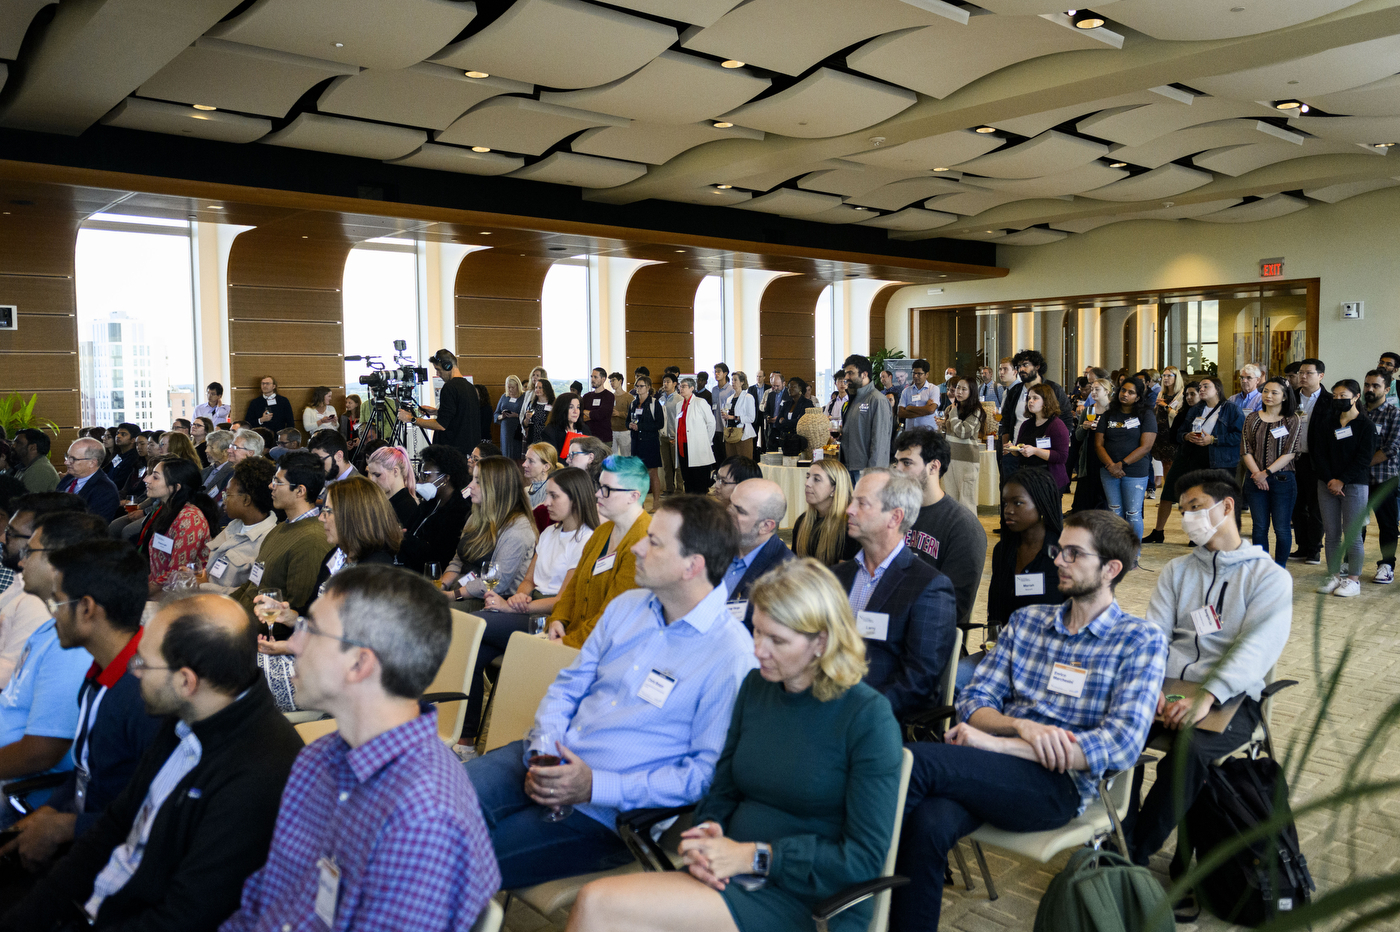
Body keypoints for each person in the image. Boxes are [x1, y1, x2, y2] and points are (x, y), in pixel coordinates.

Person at [568, 558, 902, 932]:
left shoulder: (867, 718)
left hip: (808, 900)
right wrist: (709, 829)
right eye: (757, 632)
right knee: (603, 910)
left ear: (821, 642)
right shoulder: (757, 688)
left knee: (599, 905)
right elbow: (723, 787)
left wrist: (756, 857)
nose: (758, 649)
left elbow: (863, 859)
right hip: (730, 873)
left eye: (777, 640)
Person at [892, 511, 1168, 931]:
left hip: (1057, 785)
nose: (1058, 560)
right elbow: (974, 701)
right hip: (992, 768)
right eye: (1061, 550)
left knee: (912, 763)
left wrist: (997, 743)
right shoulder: (1028, 622)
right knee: (928, 823)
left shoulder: (1139, 639)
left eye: (1074, 554)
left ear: (1111, 569)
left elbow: (1122, 744)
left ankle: (851, 884)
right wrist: (1019, 727)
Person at [465, 495, 757, 889]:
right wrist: (545, 749)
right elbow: (568, 686)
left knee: (458, 858)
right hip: (544, 758)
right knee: (429, 808)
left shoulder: (730, 654)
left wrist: (595, 786)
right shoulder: (628, 607)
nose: (635, 546)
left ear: (693, 565)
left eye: (654, 542)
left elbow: (702, 777)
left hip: (606, 815)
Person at [0, 595, 303, 932]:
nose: (134, 673)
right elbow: (112, 828)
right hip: (94, 902)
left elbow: (184, 917)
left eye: (143, 663)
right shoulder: (187, 715)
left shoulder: (259, 774)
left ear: (186, 681)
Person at [224, 566, 500, 932]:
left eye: (311, 630)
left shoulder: (420, 820)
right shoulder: (318, 757)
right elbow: (267, 899)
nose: (294, 644)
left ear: (359, 663)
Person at [1122, 469, 1290, 867]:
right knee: (1117, 730)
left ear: (1226, 506)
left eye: (1195, 507)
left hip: (1231, 698)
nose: (1187, 518)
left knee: (1189, 753)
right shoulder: (1177, 572)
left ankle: (1134, 854)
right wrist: (1152, 687)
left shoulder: (1269, 577)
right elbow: (1154, 636)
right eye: (1182, 511)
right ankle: (1123, 838)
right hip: (1167, 688)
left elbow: (1255, 649)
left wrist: (1207, 698)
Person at [0, 541, 163, 873]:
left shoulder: (145, 695)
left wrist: (67, 826)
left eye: (57, 602)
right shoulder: (100, 674)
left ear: (87, 608)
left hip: (105, 862)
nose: (52, 613)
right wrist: (53, 812)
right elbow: (86, 772)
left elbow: (155, 815)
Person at [469, 467, 599, 742]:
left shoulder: (588, 539)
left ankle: (493, 737)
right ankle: (465, 739)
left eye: (554, 496)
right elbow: (529, 580)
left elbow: (563, 600)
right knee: (474, 651)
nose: (546, 503)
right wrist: (520, 596)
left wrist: (515, 606)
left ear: (575, 498)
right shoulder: (551, 533)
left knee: (476, 623)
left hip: (549, 618)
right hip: (527, 608)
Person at [253, 476, 403, 711]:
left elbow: (355, 644)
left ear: (352, 517)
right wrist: (289, 616)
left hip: (341, 681)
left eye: (328, 511)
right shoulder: (337, 555)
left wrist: (293, 647)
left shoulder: (375, 571)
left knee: (237, 677)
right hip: (314, 661)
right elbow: (317, 620)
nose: (321, 517)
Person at [833, 469, 957, 719]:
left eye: (862, 503)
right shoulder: (837, 576)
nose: (849, 509)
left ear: (894, 517)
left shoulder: (928, 587)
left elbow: (919, 680)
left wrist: (859, 713)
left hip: (877, 719)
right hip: (823, 703)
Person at [546, 456, 652, 648]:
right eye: (599, 486)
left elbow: (614, 617)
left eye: (607, 489)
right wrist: (558, 619)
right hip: (575, 640)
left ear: (633, 496)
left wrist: (565, 643)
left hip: (607, 649)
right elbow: (574, 586)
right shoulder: (602, 532)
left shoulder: (643, 542)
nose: (597, 494)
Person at [892, 428, 987, 628]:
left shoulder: (963, 527)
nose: (898, 470)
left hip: (929, 633)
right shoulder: (891, 515)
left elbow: (954, 606)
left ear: (934, 466)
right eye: (897, 462)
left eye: (907, 463)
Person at [230, 451, 332, 618]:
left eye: (278, 482)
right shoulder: (280, 528)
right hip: (242, 620)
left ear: (300, 491)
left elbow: (296, 612)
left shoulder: (312, 541)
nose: (271, 486)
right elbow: (251, 586)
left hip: (263, 632)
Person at [441, 457, 535, 610]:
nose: (470, 486)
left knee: (435, 616)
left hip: (493, 601)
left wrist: (452, 595)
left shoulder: (518, 529)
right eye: (473, 479)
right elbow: (459, 560)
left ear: (497, 487)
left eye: (478, 481)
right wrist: (442, 586)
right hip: (463, 590)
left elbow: (495, 583)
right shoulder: (477, 516)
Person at [1314, 379, 1376, 598]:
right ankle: (1333, 576)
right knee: (1331, 534)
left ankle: (1353, 580)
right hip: (1327, 484)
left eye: (1344, 395)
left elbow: (1364, 458)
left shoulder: (1365, 425)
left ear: (1356, 397)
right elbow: (1318, 453)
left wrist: (1342, 480)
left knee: (1352, 535)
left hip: (1354, 485)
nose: (1338, 399)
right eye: (1336, 395)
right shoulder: (1327, 423)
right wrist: (1330, 479)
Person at [987, 468, 1065, 641]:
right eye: (1005, 503)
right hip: (1008, 649)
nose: (1008, 510)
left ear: (1041, 504)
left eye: (1018, 503)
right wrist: (992, 642)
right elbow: (995, 610)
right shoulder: (1003, 550)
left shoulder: (1065, 553)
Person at [1240, 377, 1301, 567]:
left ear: (1284, 396)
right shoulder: (1252, 418)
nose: (1268, 395)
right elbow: (1245, 448)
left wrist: (1265, 473)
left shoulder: (1292, 419)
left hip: (1282, 480)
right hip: (1254, 479)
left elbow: (1290, 451)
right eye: (1265, 391)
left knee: (1282, 528)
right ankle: (1263, 567)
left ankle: (1280, 567)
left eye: (1274, 392)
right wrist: (1257, 474)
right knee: (1259, 527)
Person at [136, 456, 217, 596]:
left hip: (179, 597)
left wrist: (140, 593)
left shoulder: (190, 519)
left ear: (176, 487)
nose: (146, 480)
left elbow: (177, 573)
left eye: (155, 477)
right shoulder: (169, 510)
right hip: (161, 590)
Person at [722, 478, 794, 629]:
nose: (728, 512)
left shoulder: (785, 576)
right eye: (730, 504)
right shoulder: (715, 547)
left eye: (740, 511)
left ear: (766, 526)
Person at [1094, 376, 1158, 541]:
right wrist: (1111, 465)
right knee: (1114, 511)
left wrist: (1121, 464)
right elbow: (1099, 444)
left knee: (1133, 512)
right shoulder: (1109, 414)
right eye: (1123, 390)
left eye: (1131, 392)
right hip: (1109, 470)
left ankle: (1133, 554)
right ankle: (1117, 549)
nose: (1125, 394)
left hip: (1135, 470)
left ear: (1137, 397)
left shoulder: (1146, 415)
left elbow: (1146, 446)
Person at [201, 457, 278, 595]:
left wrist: (204, 586)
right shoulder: (234, 525)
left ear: (246, 500)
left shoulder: (267, 542)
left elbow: (249, 594)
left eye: (228, 494)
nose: (224, 500)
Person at [1143, 380, 1203, 544]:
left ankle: (1194, 535)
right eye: (1187, 394)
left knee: (1193, 498)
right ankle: (1158, 531)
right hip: (1181, 456)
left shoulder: (1206, 413)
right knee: (1167, 494)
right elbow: (1174, 435)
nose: (1189, 398)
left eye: (1193, 394)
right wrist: (1184, 436)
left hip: (1199, 459)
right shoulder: (1183, 413)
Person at [397, 444, 472, 574]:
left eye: (426, 475)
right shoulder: (427, 505)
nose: (420, 481)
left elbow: (439, 556)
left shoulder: (459, 512)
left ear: (446, 478)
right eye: (420, 475)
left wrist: (405, 538)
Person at [397, 349, 481, 456]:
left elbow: (441, 425)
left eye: (438, 369)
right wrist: (436, 412)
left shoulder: (449, 387)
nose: (438, 374)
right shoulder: (469, 387)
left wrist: (411, 419)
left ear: (448, 366)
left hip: (451, 454)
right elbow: (461, 414)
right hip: (465, 452)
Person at [1361, 369, 1400, 583]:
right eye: (1367, 384)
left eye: (1375, 386)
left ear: (1386, 389)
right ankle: (1351, 561)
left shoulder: (1394, 414)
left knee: (1387, 525)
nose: (1369, 389)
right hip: (1358, 480)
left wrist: (1360, 464)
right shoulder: (1358, 411)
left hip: (1384, 478)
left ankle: (1386, 565)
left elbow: (1392, 447)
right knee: (1356, 523)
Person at [1291, 358, 1328, 563]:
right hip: (1292, 459)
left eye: (1308, 373)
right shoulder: (1290, 398)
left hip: (1316, 461)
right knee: (1296, 506)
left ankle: (1315, 548)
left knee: (1315, 508)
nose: (1303, 376)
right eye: (1301, 373)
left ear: (1320, 376)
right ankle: (1302, 546)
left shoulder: (1328, 400)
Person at [792, 458, 860, 566]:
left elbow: (845, 577)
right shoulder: (802, 521)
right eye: (807, 477)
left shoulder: (849, 527)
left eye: (816, 479)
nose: (807, 483)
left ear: (834, 488)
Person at [937, 376, 989, 512]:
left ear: (971, 392)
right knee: (950, 501)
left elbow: (962, 432)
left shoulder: (976, 411)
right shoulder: (951, 409)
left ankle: (968, 533)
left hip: (967, 461)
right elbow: (949, 433)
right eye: (958, 388)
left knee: (966, 502)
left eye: (963, 389)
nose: (959, 392)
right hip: (950, 459)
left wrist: (953, 415)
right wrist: (942, 426)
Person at [839, 354, 892, 481]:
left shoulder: (877, 400)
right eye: (846, 373)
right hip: (848, 467)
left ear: (864, 374)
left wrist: (873, 474)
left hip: (866, 471)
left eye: (851, 373)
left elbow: (880, 442)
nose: (846, 377)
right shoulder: (853, 399)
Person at [1009, 383, 1071, 492]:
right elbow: (1020, 449)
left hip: (1048, 480)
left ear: (1046, 401)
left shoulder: (1056, 425)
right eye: (1029, 398)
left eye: (1035, 398)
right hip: (1027, 477)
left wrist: (1035, 451)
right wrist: (1013, 449)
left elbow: (1061, 457)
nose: (1030, 401)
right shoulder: (1026, 424)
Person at [57, 437, 120, 521]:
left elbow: (92, 527)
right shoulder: (68, 479)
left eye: (73, 459)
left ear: (92, 463)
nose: (66, 462)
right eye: (67, 457)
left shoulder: (105, 490)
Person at [676, 377, 718, 495]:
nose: (681, 388)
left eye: (684, 386)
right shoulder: (679, 405)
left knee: (699, 480)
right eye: (680, 386)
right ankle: (690, 506)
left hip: (698, 446)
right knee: (687, 478)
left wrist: (706, 441)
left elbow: (711, 423)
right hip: (682, 446)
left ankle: (701, 508)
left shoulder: (700, 402)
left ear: (692, 388)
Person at [627, 375, 665, 500]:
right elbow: (627, 421)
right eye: (637, 386)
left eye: (641, 386)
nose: (638, 388)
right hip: (636, 442)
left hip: (650, 442)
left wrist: (641, 427)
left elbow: (659, 424)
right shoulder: (633, 403)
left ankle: (656, 503)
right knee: (638, 474)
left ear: (648, 387)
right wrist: (630, 425)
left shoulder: (654, 403)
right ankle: (640, 504)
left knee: (653, 473)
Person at [366, 444, 419, 529]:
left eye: (377, 475)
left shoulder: (407, 507)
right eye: (371, 474)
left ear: (395, 471)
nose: (373, 480)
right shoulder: (381, 502)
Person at [543, 391, 591, 457]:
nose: (576, 411)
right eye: (571, 407)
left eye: (578, 407)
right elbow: (553, 459)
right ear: (561, 409)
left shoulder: (584, 428)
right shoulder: (550, 431)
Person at [722, 371, 757, 461]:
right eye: (732, 380)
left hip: (743, 434)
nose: (733, 382)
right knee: (731, 462)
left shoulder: (748, 397)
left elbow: (751, 418)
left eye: (735, 380)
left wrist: (734, 417)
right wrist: (725, 415)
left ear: (742, 382)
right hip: (730, 432)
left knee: (744, 462)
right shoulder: (729, 399)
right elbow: (727, 412)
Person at [898, 359, 940, 431]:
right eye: (914, 373)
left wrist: (910, 408)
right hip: (910, 431)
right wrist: (925, 409)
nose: (916, 376)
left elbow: (930, 410)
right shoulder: (906, 391)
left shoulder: (933, 389)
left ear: (927, 374)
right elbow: (901, 413)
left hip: (928, 432)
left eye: (919, 374)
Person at [102, 423, 142, 492]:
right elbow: (105, 471)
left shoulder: (133, 458)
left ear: (133, 440)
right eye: (117, 433)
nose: (118, 436)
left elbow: (121, 482)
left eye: (123, 434)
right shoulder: (119, 456)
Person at [524, 441, 562, 509]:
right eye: (526, 459)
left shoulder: (552, 493)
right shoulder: (526, 491)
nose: (524, 464)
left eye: (531, 461)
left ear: (546, 467)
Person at [581, 367, 614, 445]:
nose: (592, 379)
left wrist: (585, 411)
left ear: (603, 379)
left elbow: (601, 415)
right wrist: (593, 415)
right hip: (588, 437)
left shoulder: (609, 396)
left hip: (604, 439)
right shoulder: (586, 396)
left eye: (595, 377)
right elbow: (580, 416)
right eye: (592, 377)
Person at [496, 374, 526, 460]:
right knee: (506, 453)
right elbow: (496, 414)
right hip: (505, 430)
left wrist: (517, 415)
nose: (510, 390)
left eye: (512, 387)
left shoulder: (523, 397)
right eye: (508, 387)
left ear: (518, 386)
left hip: (517, 429)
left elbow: (528, 414)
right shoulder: (504, 397)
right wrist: (501, 416)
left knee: (517, 452)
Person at [522, 377, 556, 449]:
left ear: (546, 389)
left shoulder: (553, 404)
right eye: (536, 387)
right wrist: (527, 419)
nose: (537, 390)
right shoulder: (532, 404)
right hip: (533, 438)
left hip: (548, 438)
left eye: (540, 387)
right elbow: (525, 424)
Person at [609, 372, 632, 457]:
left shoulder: (629, 397)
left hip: (624, 431)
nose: (612, 383)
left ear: (620, 381)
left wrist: (619, 414)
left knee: (626, 456)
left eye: (613, 380)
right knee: (612, 456)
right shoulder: (610, 397)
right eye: (610, 381)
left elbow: (632, 415)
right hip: (611, 430)